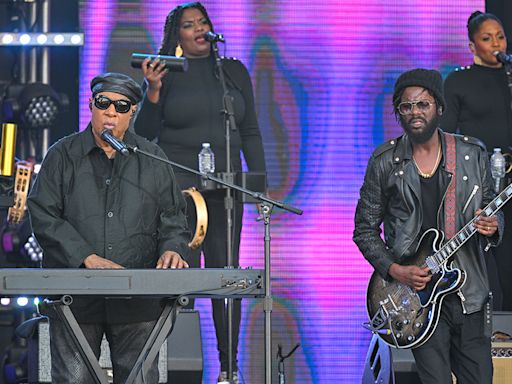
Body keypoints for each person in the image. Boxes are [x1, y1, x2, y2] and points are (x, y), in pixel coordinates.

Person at [27, 72, 190, 384]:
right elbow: (44, 214)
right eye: (104, 103)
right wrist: (85, 256)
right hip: (75, 299)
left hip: (137, 302)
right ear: (91, 105)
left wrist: (172, 248)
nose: (111, 113)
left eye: (121, 106)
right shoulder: (62, 155)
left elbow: (173, 217)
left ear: (132, 112)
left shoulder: (153, 158)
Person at [134, 2, 266, 382]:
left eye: (203, 22)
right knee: (183, 279)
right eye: (189, 25)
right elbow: (144, 134)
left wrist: (257, 185)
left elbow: (251, 131)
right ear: (177, 36)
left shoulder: (234, 72)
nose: (198, 29)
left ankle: (229, 369)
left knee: (228, 275)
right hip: (180, 192)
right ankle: (177, 368)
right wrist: (153, 90)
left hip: (225, 192)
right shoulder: (167, 72)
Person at [353, 68, 504, 384]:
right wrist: (395, 270)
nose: (414, 112)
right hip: (417, 299)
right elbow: (364, 229)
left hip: (469, 294)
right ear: (398, 113)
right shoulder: (384, 161)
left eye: (423, 104)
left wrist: (493, 225)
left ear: (439, 107)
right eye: (406, 107)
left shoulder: (471, 154)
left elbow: (491, 205)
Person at [442, 10, 512, 310]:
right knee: (493, 253)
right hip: (482, 182)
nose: (496, 43)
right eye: (487, 38)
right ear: (473, 46)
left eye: (500, 36)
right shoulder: (459, 81)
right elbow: (445, 134)